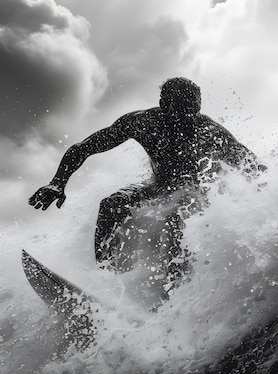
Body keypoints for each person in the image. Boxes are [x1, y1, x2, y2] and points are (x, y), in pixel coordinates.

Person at [28, 77, 265, 288]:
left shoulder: (209, 131)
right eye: (179, 111)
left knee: (175, 216)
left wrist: (267, 199)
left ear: (199, 106)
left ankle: (178, 290)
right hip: (157, 188)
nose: (186, 119)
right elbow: (83, 148)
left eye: (192, 111)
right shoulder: (142, 123)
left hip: (199, 193)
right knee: (111, 205)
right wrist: (58, 182)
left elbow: (252, 165)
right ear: (164, 105)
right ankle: (106, 279)